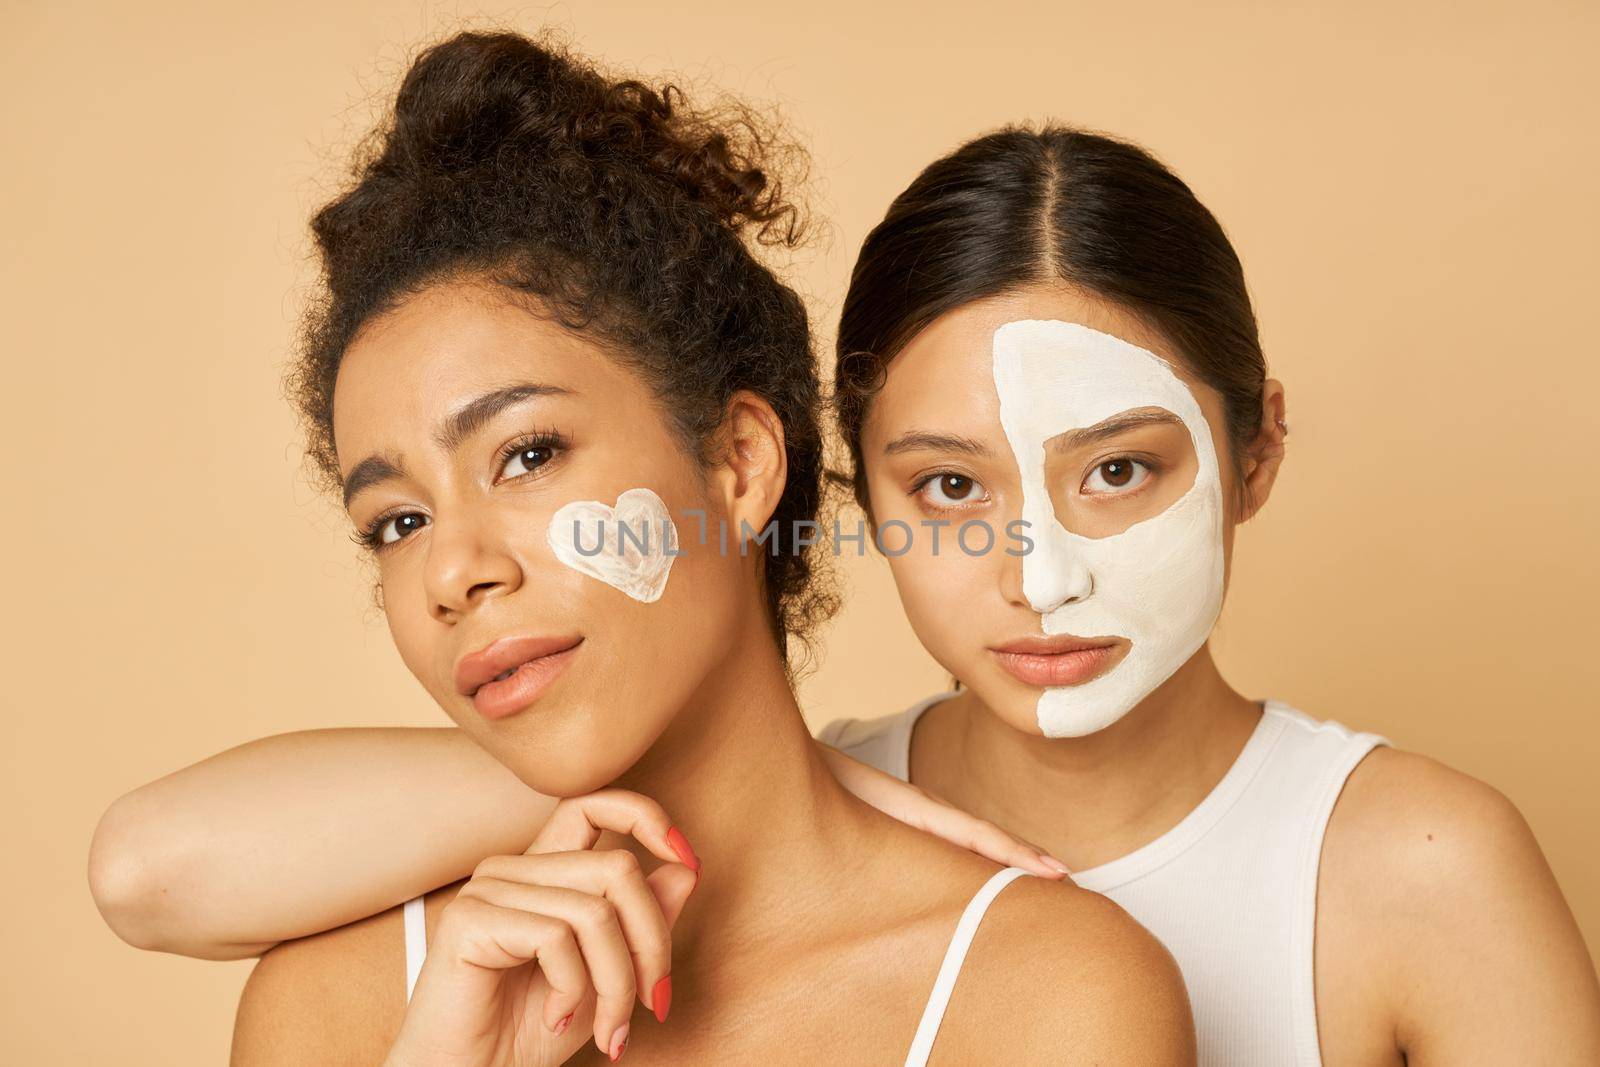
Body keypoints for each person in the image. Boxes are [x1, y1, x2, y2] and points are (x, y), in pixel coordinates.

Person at [92, 44, 1600, 1067]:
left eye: (1120, 468)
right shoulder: (385, 971)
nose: (1037, 566)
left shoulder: (1182, 938)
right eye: (394, 519)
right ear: (859, 483)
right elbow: (146, 864)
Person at [180, 28, 1192, 1066]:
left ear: (739, 464)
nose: (450, 571)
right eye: (397, 521)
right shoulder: (341, 1002)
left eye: (526, 454)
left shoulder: (1045, 994)